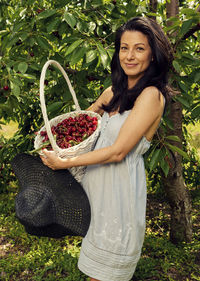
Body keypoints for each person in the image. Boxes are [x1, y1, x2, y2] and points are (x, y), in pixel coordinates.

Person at [40, 16, 172, 281]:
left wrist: (63, 163)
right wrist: (52, 138)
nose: (130, 56)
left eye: (139, 48)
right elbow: (82, 127)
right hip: (95, 198)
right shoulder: (113, 92)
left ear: (153, 55)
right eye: (124, 47)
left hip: (118, 201)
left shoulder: (151, 96)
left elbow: (118, 151)